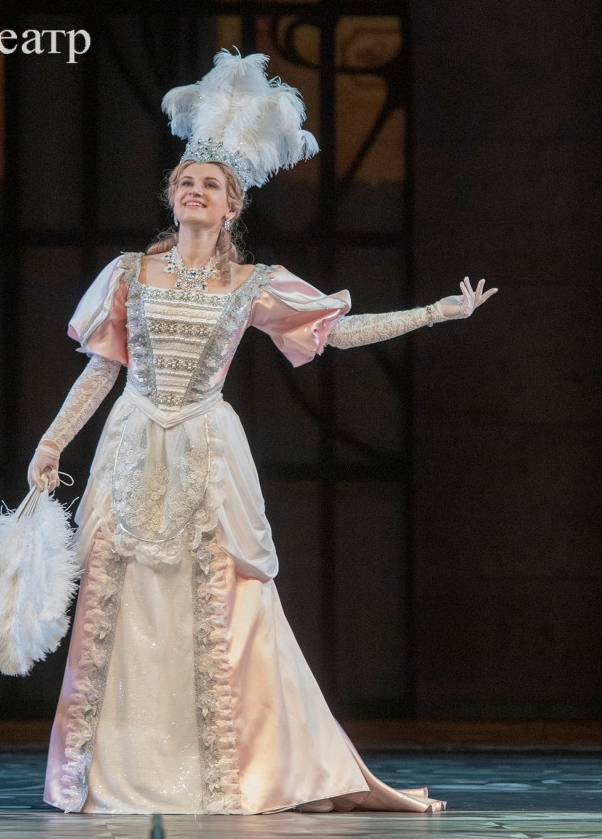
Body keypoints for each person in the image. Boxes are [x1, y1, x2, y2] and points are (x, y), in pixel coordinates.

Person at [29, 51, 495, 815]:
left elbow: (336, 332)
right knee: (123, 603)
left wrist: (432, 314)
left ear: (232, 205)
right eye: (185, 181)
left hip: (206, 455)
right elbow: (101, 370)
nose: (194, 190)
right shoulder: (127, 274)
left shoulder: (252, 284)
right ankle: (104, 774)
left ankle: (238, 773)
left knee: (224, 605)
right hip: (133, 448)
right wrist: (51, 444)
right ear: (171, 197)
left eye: (210, 185)